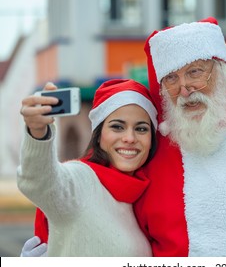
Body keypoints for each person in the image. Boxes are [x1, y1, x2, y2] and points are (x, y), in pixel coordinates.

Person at [22, 17, 226, 257]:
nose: (185, 89)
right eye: (171, 78)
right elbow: (85, 198)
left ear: (223, 70)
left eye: (196, 72)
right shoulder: (150, 148)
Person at [17, 79, 157, 256]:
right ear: (98, 135)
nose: (130, 137)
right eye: (117, 127)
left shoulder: (143, 196)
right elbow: (39, 180)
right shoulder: (81, 180)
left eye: (141, 129)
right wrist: (37, 131)